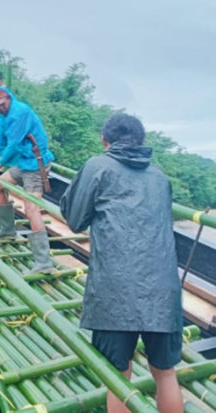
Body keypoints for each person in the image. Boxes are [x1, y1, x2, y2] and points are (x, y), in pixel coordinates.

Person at [60, 114, 183, 413]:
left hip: (115, 289)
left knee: (118, 376)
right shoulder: (159, 175)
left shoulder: (97, 166)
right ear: (141, 142)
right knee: (165, 373)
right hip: (164, 289)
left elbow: (74, 219)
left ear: (105, 142)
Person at [0, 86, 55, 274]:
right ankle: (7, 230)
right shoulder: (2, 117)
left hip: (35, 163)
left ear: (9, 99)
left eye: (3, 104)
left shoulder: (20, 112)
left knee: (31, 207)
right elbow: (1, 143)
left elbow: (14, 145)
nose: (1, 108)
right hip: (23, 162)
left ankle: (44, 262)